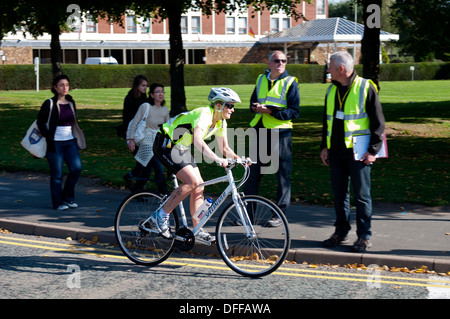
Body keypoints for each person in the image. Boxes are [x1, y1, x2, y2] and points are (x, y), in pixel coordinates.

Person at [151, 87, 246, 241]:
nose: (232, 110)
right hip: (165, 144)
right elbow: (197, 140)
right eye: (230, 105)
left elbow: (224, 148)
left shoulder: (220, 122)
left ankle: (197, 228)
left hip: (179, 147)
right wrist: (217, 159)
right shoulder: (205, 114)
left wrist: (239, 159)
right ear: (219, 105)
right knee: (192, 182)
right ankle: (160, 215)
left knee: (199, 185)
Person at [320, 51, 385, 252]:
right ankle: (341, 232)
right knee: (339, 195)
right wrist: (324, 146)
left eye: (330, 66)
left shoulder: (366, 87)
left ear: (341, 69)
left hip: (359, 152)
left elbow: (378, 123)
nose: (327, 70)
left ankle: (364, 236)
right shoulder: (331, 90)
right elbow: (326, 121)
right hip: (336, 152)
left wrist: (373, 150)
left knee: (362, 196)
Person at [244, 50, 300, 227]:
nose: (281, 63)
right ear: (268, 63)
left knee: (283, 175)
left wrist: (270, 111)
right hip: (259, 131)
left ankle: (278, 215)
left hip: (280, 133)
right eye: (277, 60)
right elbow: (253, 102)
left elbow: (294, 111)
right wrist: (255, 108)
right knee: (251, 175)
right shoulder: (261, 79)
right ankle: (248, 215)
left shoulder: (291, 82)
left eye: (284, 60)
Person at [36, 74, 83, 211]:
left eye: (67, 85)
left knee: (76, 168)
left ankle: (67, 197)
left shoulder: (71, 102)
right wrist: (48, 136)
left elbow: (73, 120)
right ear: (55, 87)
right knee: (57, 174)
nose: (65, 87)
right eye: (61, 85)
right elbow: (40, 122)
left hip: (70, 141)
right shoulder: (49, 103)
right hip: (55, 143)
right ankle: (57, 203)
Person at [126, 83, 170, 194]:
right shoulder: (146, 107)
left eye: (162, 91)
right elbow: (134, 123)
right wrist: (130, 140)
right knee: (158, 168)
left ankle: (136, 191)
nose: (161, 94)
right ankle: (165, 194)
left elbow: (168, 128)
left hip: (157, 141)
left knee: (146, 169)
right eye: (157, 92)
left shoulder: (165, 110)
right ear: (151, 95)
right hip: (146, 141)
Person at [121, 75, 149, 190]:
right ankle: (138, 186)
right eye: (143, 85)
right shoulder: (130, 99)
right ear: (136, 86)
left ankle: (131, 178)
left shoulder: (144, 98)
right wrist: (130, 138)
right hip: (134, 134)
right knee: (143, 162)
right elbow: (127, 119)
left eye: (146, 86)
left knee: (143, 162)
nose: (145, 88)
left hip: (143, 134)